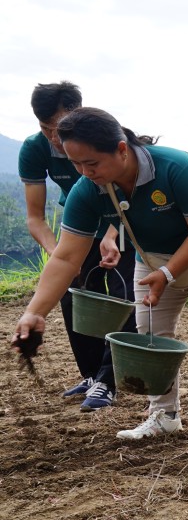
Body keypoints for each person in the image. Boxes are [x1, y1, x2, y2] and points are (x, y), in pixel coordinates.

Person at [12, 107, 188, 442]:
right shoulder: (88, 189)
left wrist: (168, 272)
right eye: (76, 164)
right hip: (151, 256)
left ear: (122, 150)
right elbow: (65, 258)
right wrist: (35, 312)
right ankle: (163, 414)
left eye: (91, 163)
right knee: (150, 330)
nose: (84, 172)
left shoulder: (176, 167)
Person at [17, 82, 136, 411]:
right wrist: (59, 253)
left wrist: (112, 234)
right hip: (78, 228)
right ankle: (91, 375)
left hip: (122, 222)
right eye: (45, 129)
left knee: (125, 297)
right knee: (73, 296)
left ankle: (109, 381)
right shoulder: (34, 149)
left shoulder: (102, 141)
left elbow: (126, 192)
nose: (54, 137)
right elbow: (35, 218)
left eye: (57, 128)